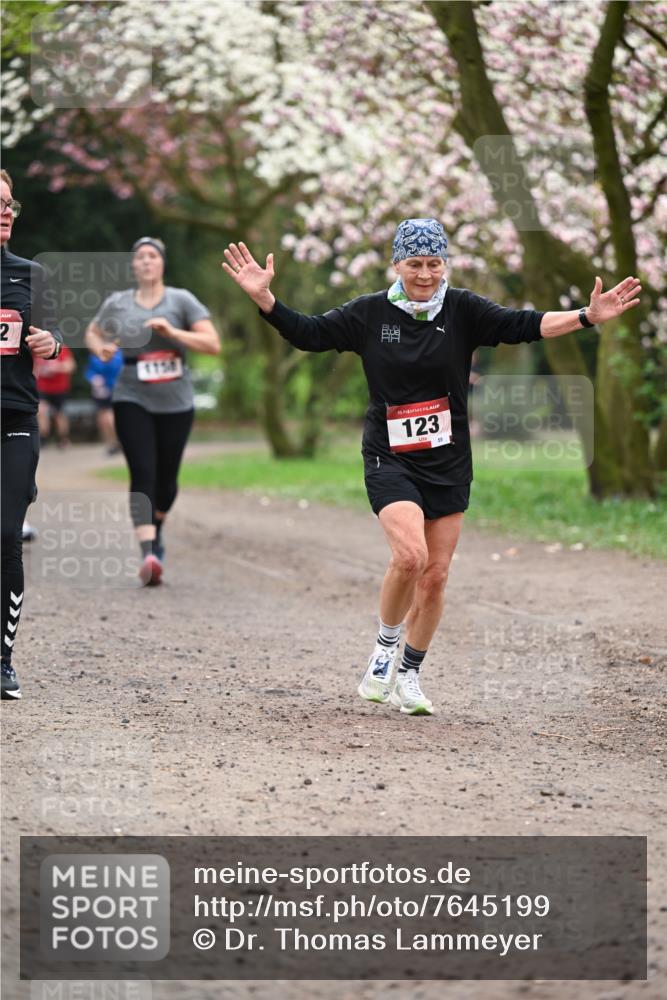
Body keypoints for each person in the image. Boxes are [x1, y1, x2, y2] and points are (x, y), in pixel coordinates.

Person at [222, 219, 641, 716]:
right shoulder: (369, 314)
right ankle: (383, 649)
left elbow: (524, 324)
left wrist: (586, 317)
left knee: (436, 577)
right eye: (415, 263)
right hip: (389, 456)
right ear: (396, 264)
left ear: (445, 264)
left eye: (434, 263)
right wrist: (265, 300)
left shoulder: (463, 309)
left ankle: (410, 675)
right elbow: (309, 334)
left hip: (448, 461)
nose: (425, 274)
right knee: (410, 557)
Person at [85, 237, 221, 586]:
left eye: (152, 256)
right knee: (142, 472)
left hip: (176, 401)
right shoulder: (118, 303)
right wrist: (101, 348)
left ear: (162, 264)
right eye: (140, 257)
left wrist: (172, 331)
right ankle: (147, 553)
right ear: (133, 265)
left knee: (167, 481)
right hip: (131, 396)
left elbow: (212, 344)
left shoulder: (181, 300)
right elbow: (93, 331)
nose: (146, 261)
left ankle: (155, 528)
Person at [1, 169, 64, 700]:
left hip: (16, 420)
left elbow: (55, 334)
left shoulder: (29, 275)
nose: (5, 212)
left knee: (6, 537)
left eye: (9, 204)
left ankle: (3, 661)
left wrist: (51, 342)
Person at [35, 343, 76, 447]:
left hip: (59, 387)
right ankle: (43, 439)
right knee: (41, 411)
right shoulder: (37, 349)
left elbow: (71, 366)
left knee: (59, 414)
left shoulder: (62, 348)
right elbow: (34, 368)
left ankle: (63, 439)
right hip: (42, 387)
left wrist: (56, 367)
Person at [84, 348, 123, 454]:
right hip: (102, 391)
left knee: (108, 418)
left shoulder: (117, 355)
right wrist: (94, 378)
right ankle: (111, 443)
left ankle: (115, 443)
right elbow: (89, 372)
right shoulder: (95, 356)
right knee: (103, 419)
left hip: (113, 390)